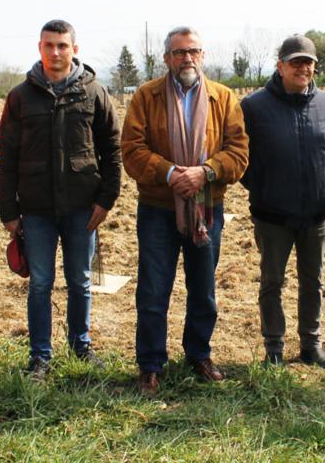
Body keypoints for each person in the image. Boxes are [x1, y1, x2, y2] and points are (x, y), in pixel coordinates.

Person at [121, 26, 248, 395]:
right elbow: (132, 149)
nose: (186, 58)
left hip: (207, 209)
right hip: (158, 209)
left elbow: (239, 152)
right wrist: (171, 173)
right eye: (178, 53)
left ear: (203, 56)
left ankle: (198, 355)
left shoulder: (223, 99)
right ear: (166, 59)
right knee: (153, 290)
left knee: (204, 288)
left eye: (193, 51)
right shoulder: (147, 96)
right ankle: (149, 365)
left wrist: (205, 173)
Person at [0, 19, 121, 378]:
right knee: (39, 282)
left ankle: (81, 347)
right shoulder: (21, 96)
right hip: (36, 210)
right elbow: (5, 156)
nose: (56, 52)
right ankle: (40, 356)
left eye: (62, 45)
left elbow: (112, 149)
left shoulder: (94, 92)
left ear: (74, 50)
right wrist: (9, 209)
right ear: (40, 48)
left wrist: (106, 199)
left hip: (83, 208)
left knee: (80, 280)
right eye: (49, 45)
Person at [240, 35, 325, 368]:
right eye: (295, 62)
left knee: (313, 281)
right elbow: (242, 160)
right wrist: (266, 189)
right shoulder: (254, 106)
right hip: (272, 217)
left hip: (315, 214)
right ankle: (274, 347)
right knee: (272, 281)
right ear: (280, 65)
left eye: (308, 62)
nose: (303, 67)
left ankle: (311, 345)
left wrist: (318, 185)